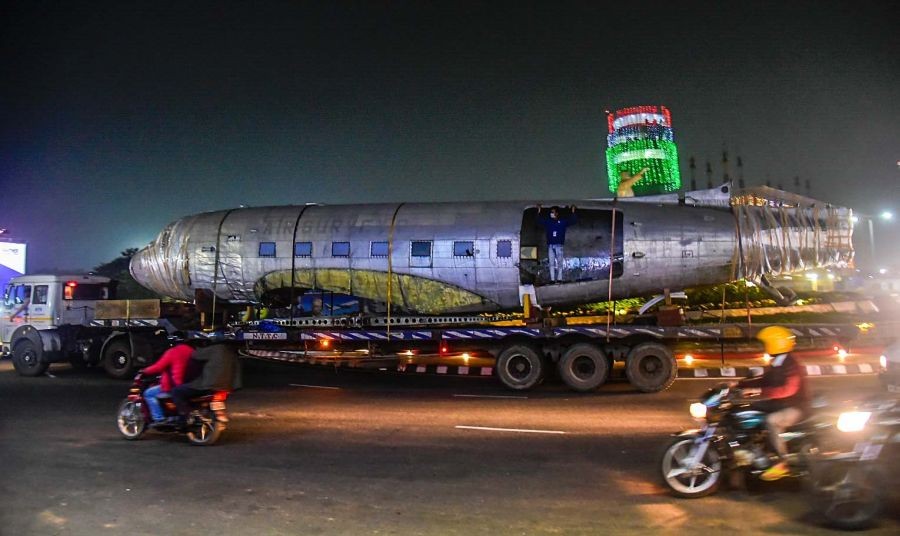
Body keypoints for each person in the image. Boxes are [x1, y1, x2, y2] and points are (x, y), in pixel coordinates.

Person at [735, 325, 810, 481]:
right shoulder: (778, 362)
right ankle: (754, 452)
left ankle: (783, 463)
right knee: (745, 411)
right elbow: (764, 380)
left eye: (766, 343)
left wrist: (758, 392)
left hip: (796, 406)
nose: (765, 347)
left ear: (776, 343)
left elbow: (787, 390)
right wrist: (738, 384)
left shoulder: (791, 364)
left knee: (772, 421)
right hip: (780, 404)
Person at [170, 340, 242, 424]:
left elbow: (196, 355)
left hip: (209, 385)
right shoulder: (232, 353)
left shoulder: (215, 349)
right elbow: (237, 373)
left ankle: (186, 415)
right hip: (225, 387)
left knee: (176, 391)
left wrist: (194, 347)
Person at [140, 341, 196, 425]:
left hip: (173, 385)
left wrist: (145, 371)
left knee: (148, 393)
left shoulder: (173, 352)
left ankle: (159, 418)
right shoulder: (191, 351)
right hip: (189, 384)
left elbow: (159, 367)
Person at [537, 204, 577, 283]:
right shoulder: (548, 222)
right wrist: (539, 210)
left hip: (559, 245)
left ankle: (559, 279)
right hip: (551, 245)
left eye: (553, 212)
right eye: (551, 212)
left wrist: (573, 211)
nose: (551, 213)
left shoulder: (562, 222)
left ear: (557, 213)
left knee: (560, 263)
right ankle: (552, 279)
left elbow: (573, 220)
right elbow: (539, 220)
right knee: (551, 263)